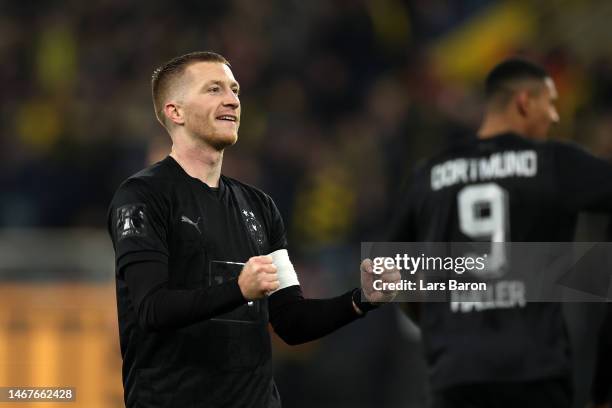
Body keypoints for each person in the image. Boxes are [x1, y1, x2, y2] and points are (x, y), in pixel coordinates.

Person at [107, 51, 399, 408]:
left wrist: (361, 300)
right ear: (175, 111)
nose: (231, 99)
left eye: (234, 89)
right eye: (213, 89)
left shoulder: (260, 207)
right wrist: (238, 289)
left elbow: (291, 322)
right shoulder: (142, 196)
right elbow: (152, 309)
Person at [390, 58, 612, 408]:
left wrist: (439, 321)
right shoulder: (554, 162)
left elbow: (387, 273)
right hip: (534, 370)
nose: (554, 116)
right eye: (549, 103)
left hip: (456, 373)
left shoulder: (428, 176)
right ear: (524, 102)